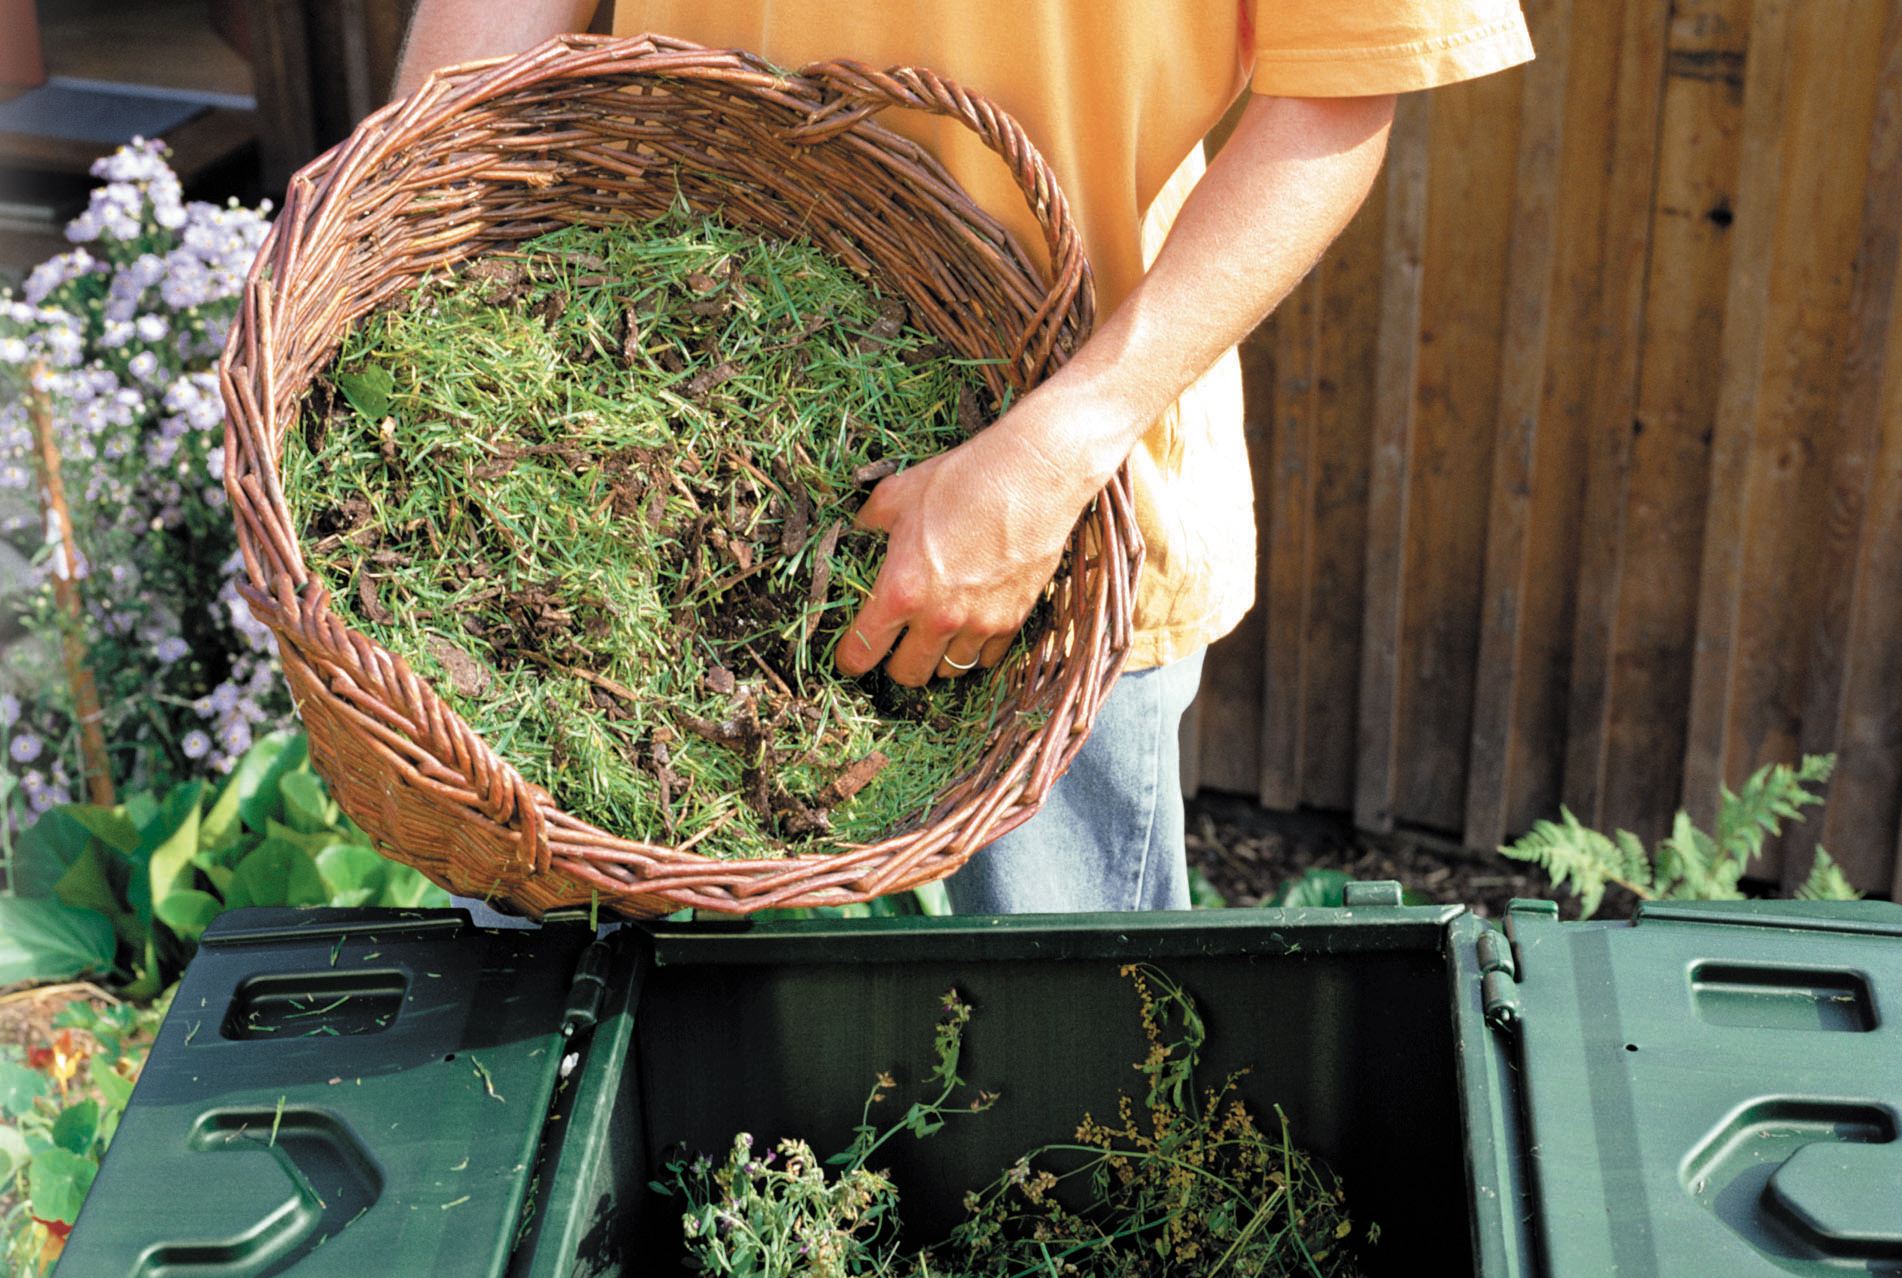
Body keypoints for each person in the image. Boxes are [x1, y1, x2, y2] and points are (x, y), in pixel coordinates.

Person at [395, 2, 1532, 916]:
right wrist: (405, 264)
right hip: (639, 435)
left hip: (1061, 512)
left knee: (1054, 1084)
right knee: (581, 1056)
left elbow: (1337, 81)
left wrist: (1058, 450)